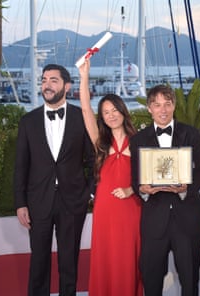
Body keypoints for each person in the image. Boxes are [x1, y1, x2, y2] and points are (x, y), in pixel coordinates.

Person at [14, 64, 95, 296]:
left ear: (67, 86)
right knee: (38, 260)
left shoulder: (83, 118)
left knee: (69, 261)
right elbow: (21, 166)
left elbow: (93, 160)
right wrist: (20, 203)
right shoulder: (28, 122)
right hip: (38, 201)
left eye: (53, 80)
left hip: (73, 201)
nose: (47, 85)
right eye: (44, 80)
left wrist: (89, 193)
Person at [129, 84, 200, 296]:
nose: (162, 110)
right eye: (157, 105)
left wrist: (185, 188)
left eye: (167, 104)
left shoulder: (191, 134)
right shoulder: (138, 140)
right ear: (149, 108)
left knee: (190, 280)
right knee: (151, 279)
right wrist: (143, 189)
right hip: (154, 220)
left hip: (187, 218)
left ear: (174, 106)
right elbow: (135, 179)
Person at [78, 59, 143, 295]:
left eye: (114, 110)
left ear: (122, 111)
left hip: (130, 209)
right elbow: (85, 109)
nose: (111, 115)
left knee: (128, 257)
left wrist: (131, 190)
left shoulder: (139, 141)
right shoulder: (100, 143)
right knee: (105, 257)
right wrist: (84, 75)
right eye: (106, 112)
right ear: (102, 117)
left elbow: (150, 177)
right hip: (105, 209)